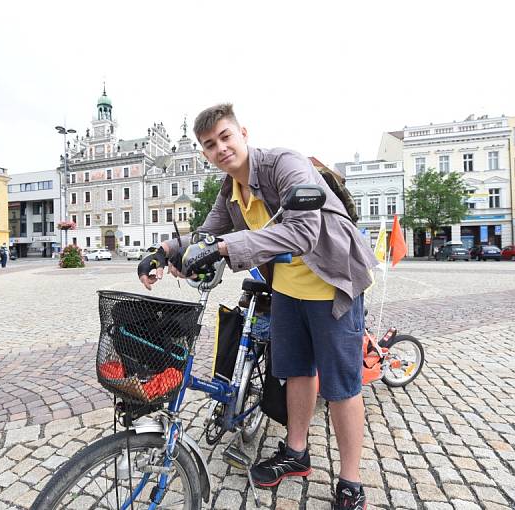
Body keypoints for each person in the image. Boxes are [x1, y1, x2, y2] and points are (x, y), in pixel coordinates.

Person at [138, 104, 378, 510]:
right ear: (204, 153)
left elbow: (304, 232)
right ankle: (296, 453)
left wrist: (227, 248)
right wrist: (161, 252)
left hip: (332, 284)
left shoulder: (286, 164)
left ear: (243, 133)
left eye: (225, 137)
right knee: (295, 373)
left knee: (341, 387)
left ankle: (351, 482)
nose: (221, 148)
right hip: (286, 291)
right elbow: (206, 232)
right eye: (210, 145)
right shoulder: (230, 191)